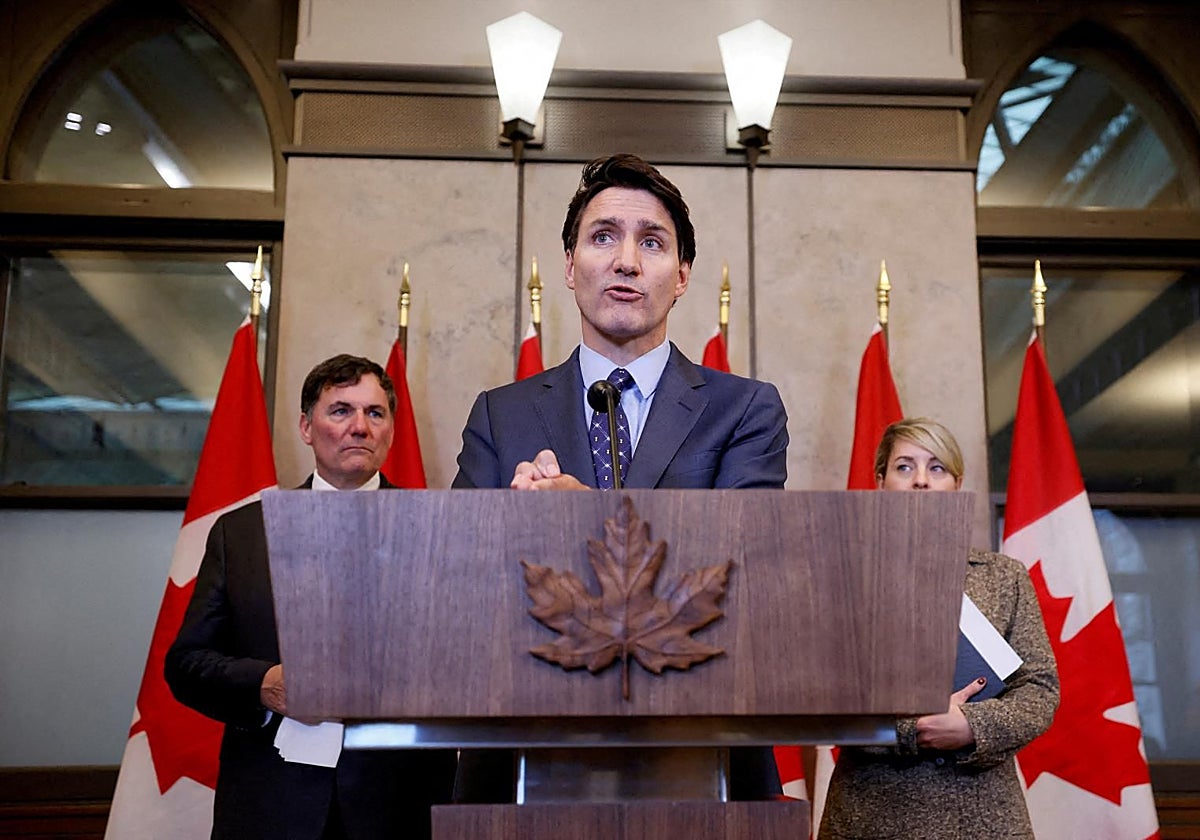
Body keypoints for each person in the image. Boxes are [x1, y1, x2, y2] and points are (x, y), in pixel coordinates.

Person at [451, 153, 789, 800]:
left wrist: (584, 519)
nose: (627, 261)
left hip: (699, 746)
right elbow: (458, 581)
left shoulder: (745, 409)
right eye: (603, 236)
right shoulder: (501, 413)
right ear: (571, 266)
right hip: (525, 748)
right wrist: (511, 528)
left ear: (682, 275)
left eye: (652, 242)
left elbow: (745, 569)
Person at [165, 354, 456, 840]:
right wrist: (264, 683)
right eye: (340, 411)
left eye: (375, 413)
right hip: (272, 804)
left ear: (389, 429)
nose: (359, 427)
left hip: (400, 804)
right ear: (306, 426)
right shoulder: (241, 535)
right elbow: (186, 664)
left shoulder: (439, 531)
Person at [820, 417, 1059, 840]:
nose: (921, 482)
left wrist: (972, 725)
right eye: (905, 467)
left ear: (956, 483)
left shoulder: (1003, 578)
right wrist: (917, 729)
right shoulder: (841, 577)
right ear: (880, 481)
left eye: (936, 468)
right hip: (872, 812)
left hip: (984, 814)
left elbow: (1039, 690)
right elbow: (819, 696)